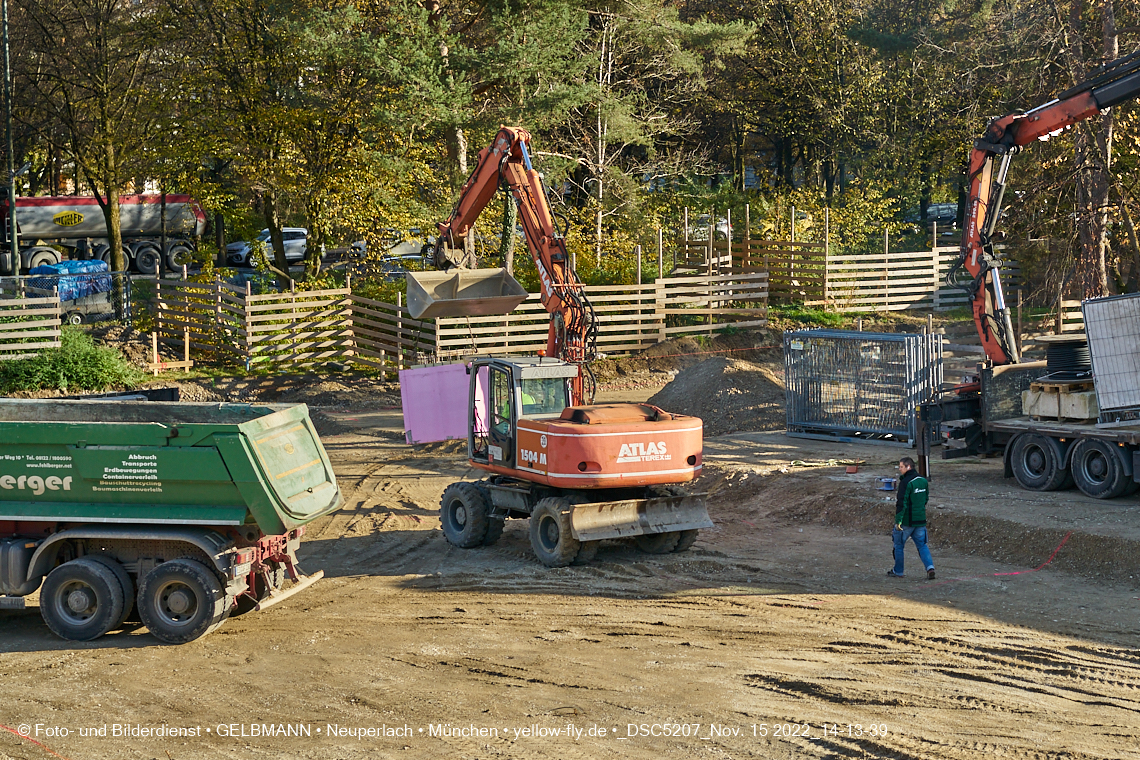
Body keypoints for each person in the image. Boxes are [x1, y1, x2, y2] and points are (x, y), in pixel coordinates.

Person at [887, 456, 935, 580]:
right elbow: (925, 499)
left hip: (907, 521)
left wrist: (898, 521)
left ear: (908, 466)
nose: (899, 469)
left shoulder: (906, 482)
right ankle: (930, 567)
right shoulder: (923, 481)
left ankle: (898, 571)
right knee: (922, 545)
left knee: (898, 546)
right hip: (920, 520)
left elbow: (901, 503)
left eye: (901, 467)